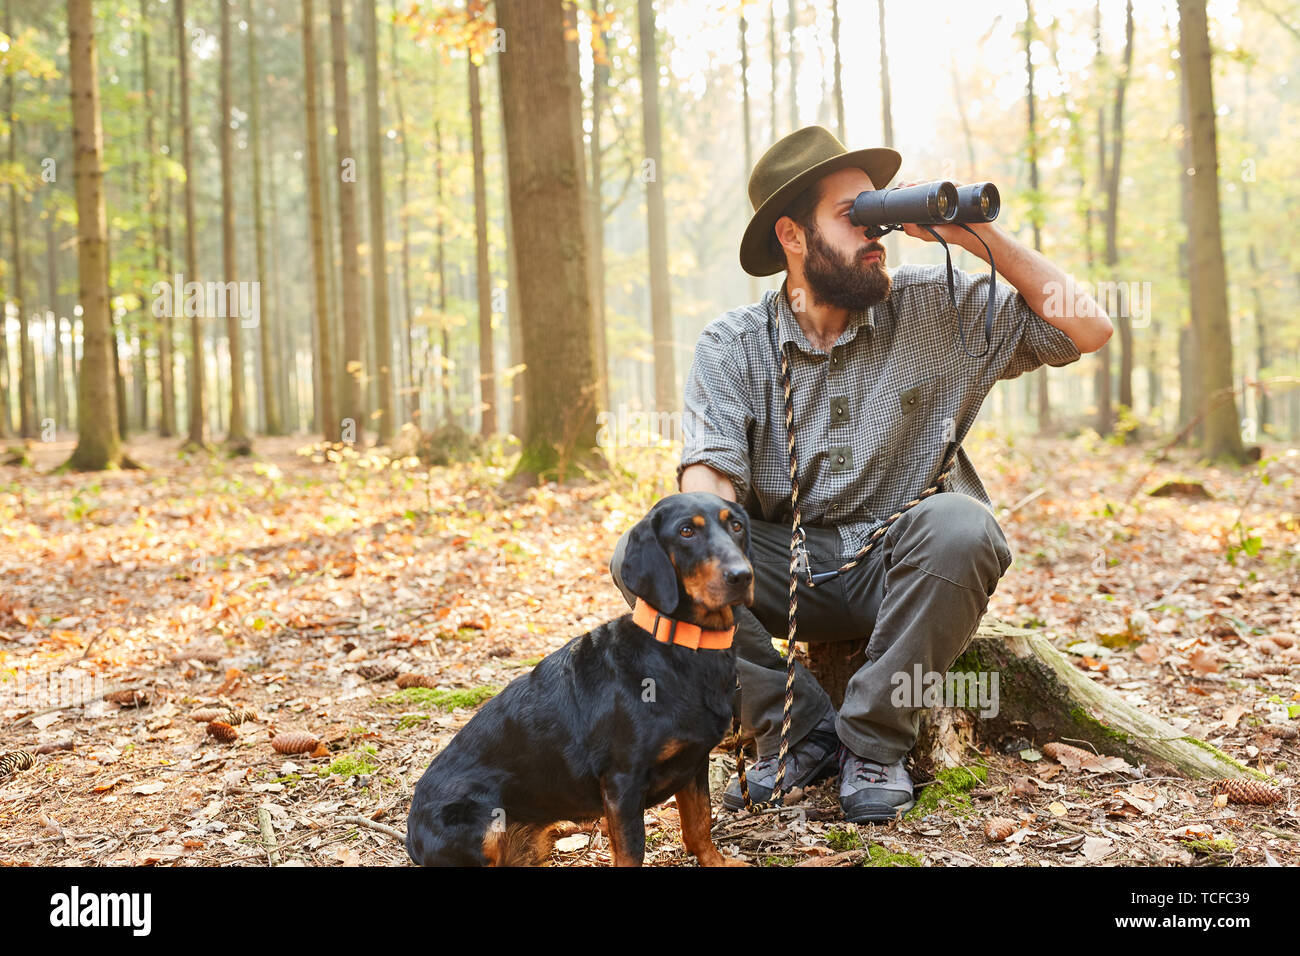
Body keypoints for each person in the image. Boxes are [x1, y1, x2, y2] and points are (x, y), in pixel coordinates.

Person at [610, 125, 1112, 822]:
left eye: (879, 212)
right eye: (855, 217)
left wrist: (977, 240)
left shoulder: (934, 308)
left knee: (965, 527)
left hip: (901, 565)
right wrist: (695, 539)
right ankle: (795, 732)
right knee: (667, 543)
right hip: (781, 572)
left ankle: (873, 742)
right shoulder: (733, 346)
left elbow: (1087, 328)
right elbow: (709, 477)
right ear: (792, 235)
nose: (876, 235)